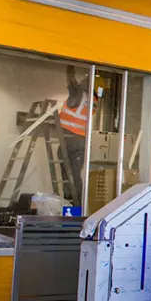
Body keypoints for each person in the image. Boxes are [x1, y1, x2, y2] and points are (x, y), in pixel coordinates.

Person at [58, 68, 94, 204]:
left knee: (68, 168)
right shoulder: (91, 99)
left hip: (72, 137)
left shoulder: (78, 93)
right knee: (74, 172)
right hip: (80, 139)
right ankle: (76, 200)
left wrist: (70, 66)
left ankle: (72, 199)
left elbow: (71, 82)